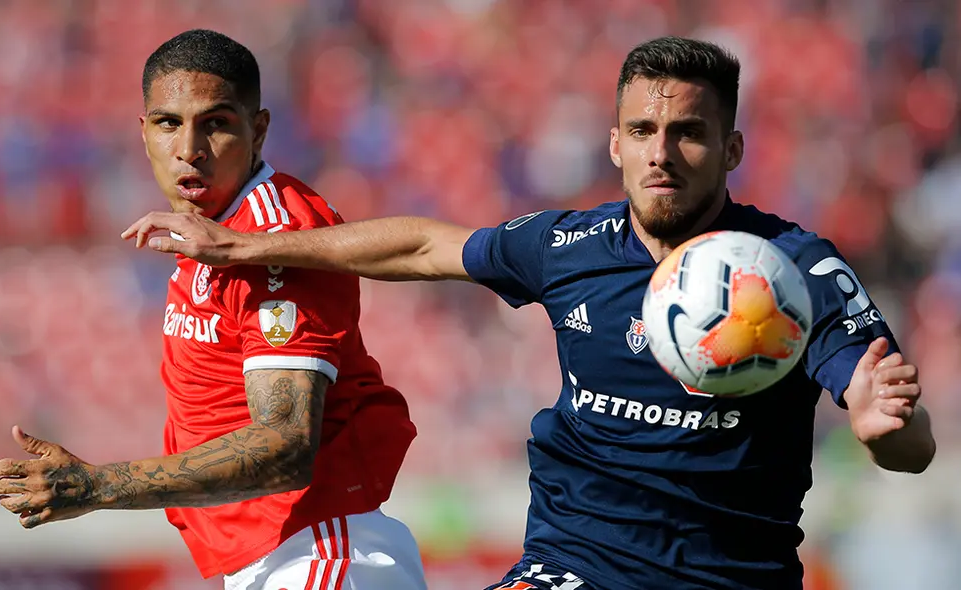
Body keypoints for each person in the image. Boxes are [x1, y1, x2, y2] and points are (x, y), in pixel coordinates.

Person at [122, 36, 937, 590]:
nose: (661, 153)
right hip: (575, 563)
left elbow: (908, 443)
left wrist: (881, 422)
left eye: (688, 133)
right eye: (643, 130)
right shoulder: (570, 245)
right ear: (614, 143)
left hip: (730, 575)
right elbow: (422, 249)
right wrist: (240, 247)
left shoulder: (792, 269)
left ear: (731, 149)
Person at [0, 29, 426, 590]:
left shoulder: (272, 239)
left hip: (320, 555)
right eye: (169, 123)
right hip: (275, 558)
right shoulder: (208, 234)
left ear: (258, 131)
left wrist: (97, 486)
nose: (189, 149)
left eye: (215, 123)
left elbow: (283, 445)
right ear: (143, 134)